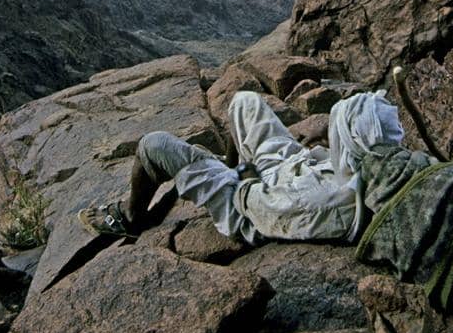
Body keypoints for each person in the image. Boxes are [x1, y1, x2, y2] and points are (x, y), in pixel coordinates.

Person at [78, 87, 404, 246]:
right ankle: (227, 161)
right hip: (299, 172)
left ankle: (131, 218)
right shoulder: (375, 163)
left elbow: (257, 205)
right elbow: (336, 164)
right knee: (244, 100)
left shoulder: (320, 203)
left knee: (154, 145)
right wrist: (324, 142)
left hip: (249, 200)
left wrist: (238, 175)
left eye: (338, 129)